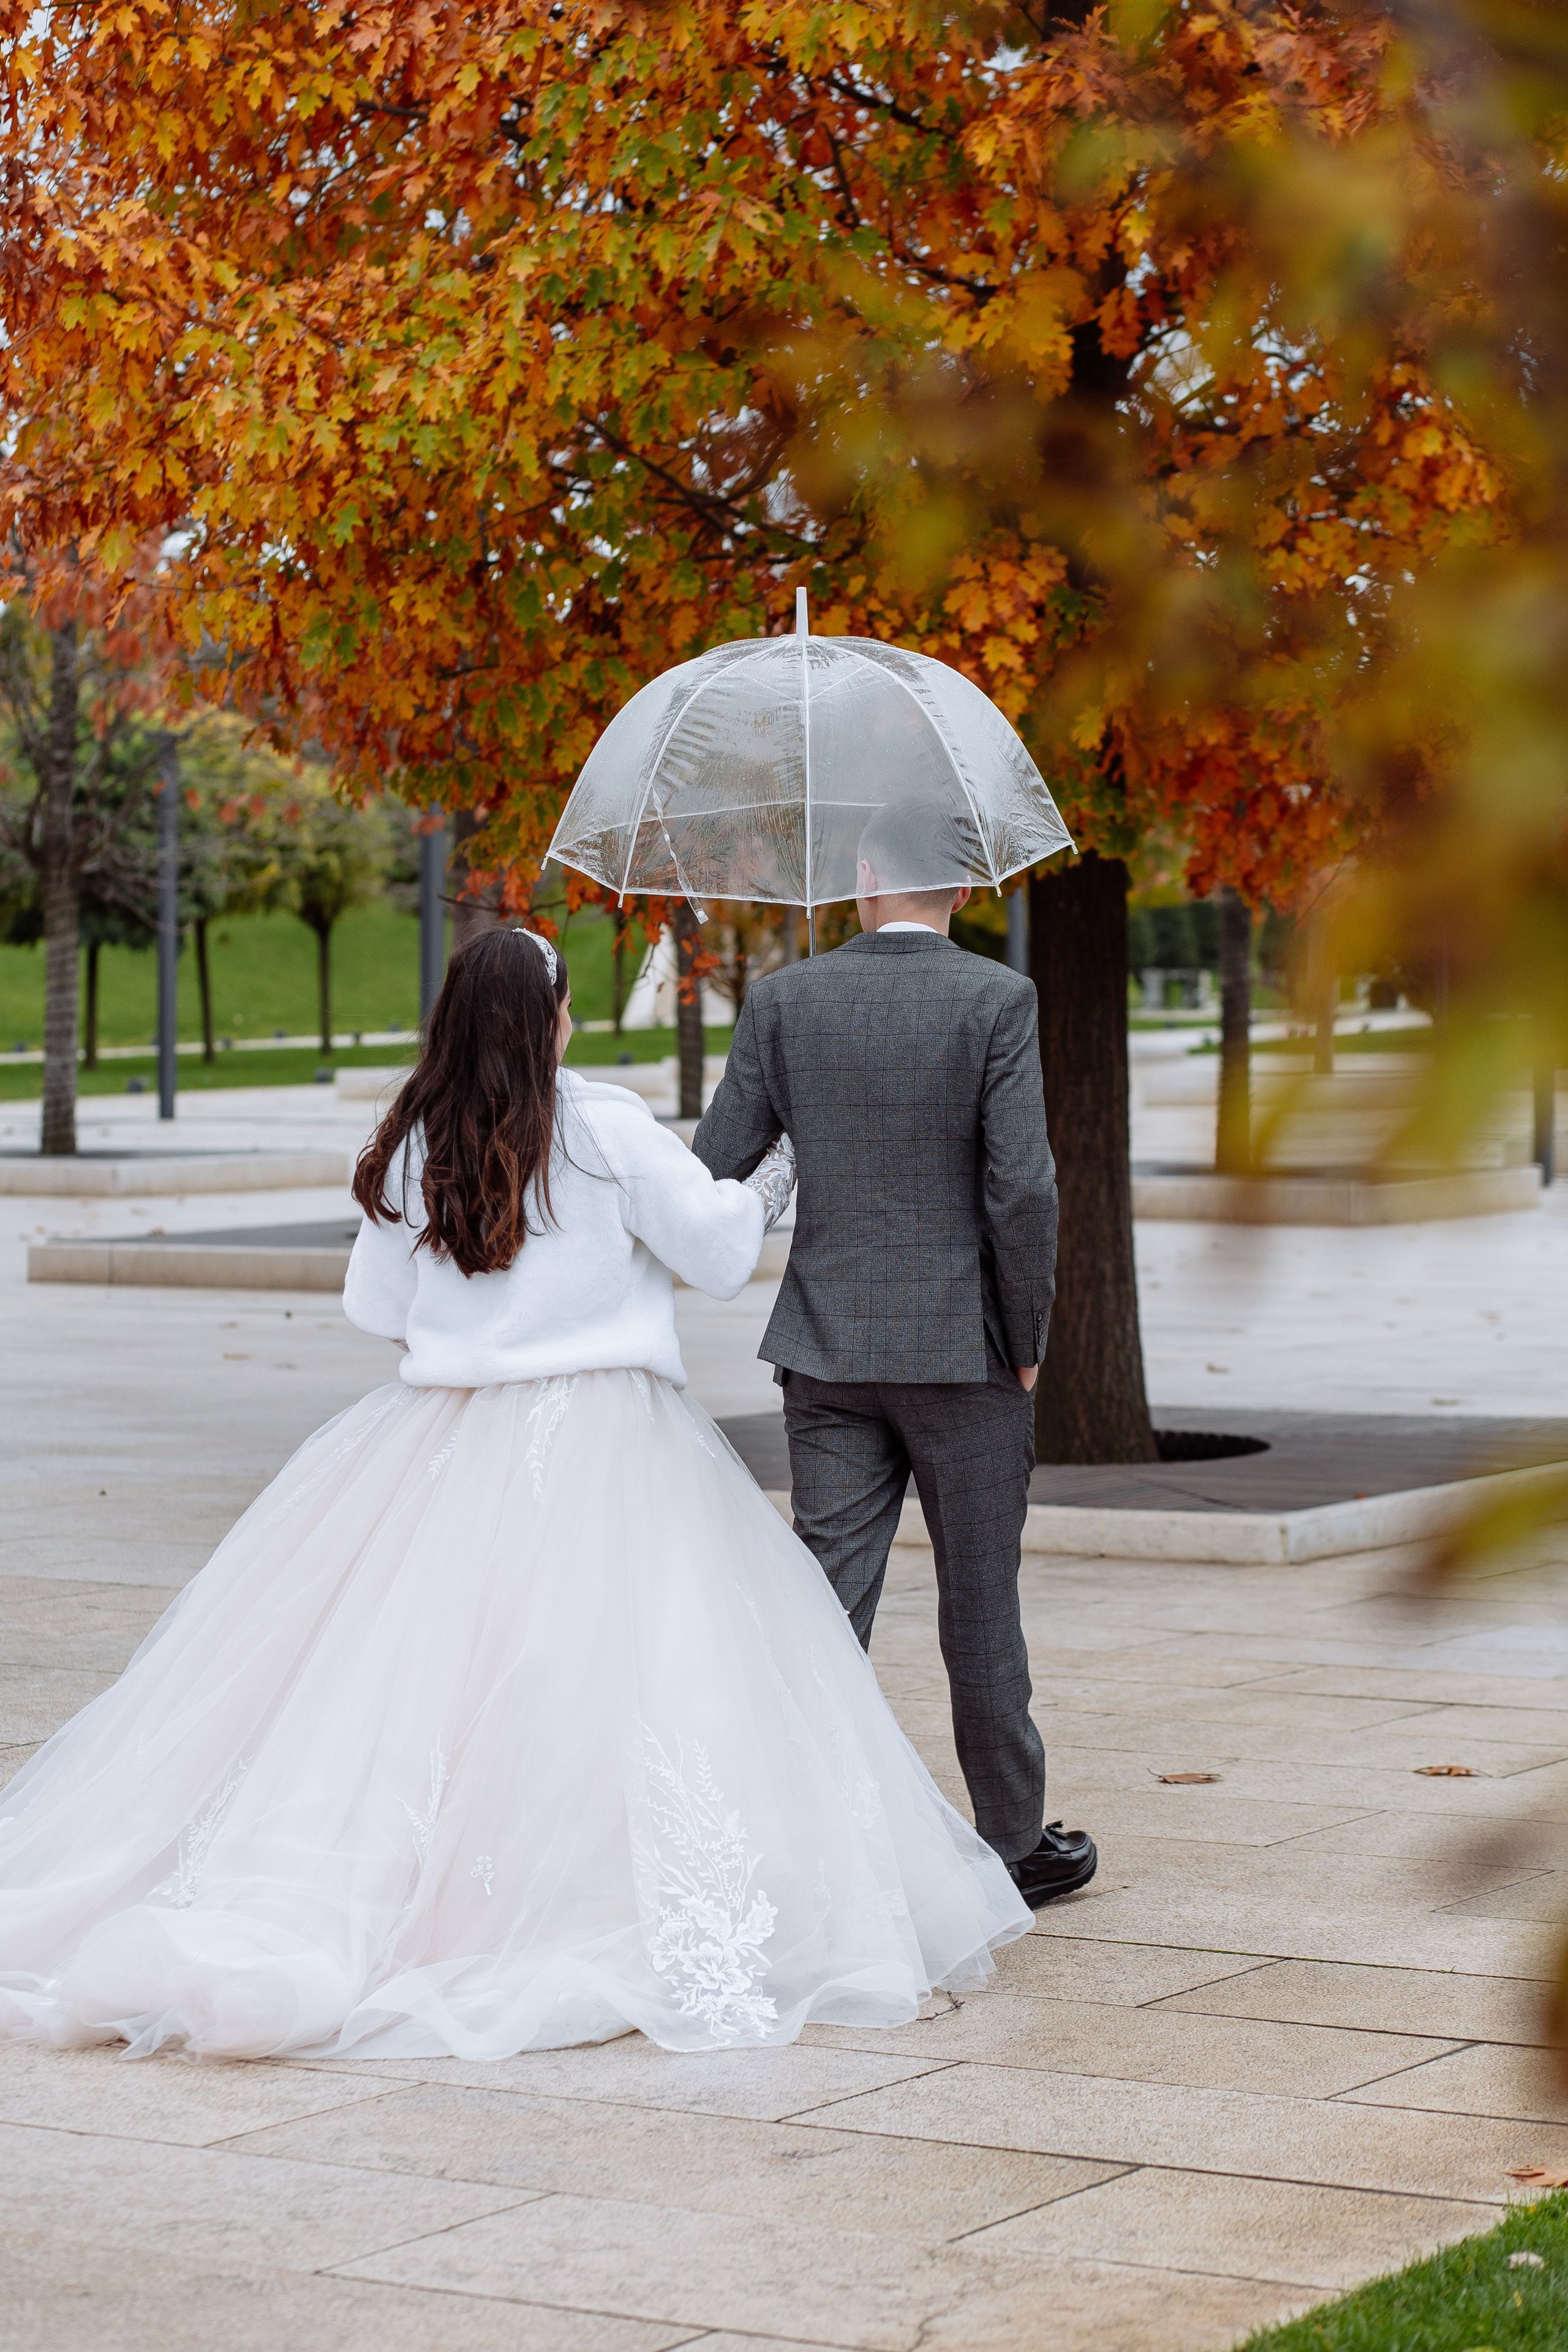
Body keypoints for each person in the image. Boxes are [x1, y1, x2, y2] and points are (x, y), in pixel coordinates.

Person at [0, 925, 1029, 2062]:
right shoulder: (604, 1129)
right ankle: (565, 1889)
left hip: (437, 1441)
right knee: (617, 1680)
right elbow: (722, 1251)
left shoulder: (412, 1140)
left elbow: (372, 1308)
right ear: (550, 1017)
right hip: (606, 1436)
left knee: (413, 1687)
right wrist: (781, 1159)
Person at [694, 801, 1098, 1908]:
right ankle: (1014, 1844)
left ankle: (786, 1833)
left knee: (824, 1600)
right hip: (964, 1350)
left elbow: (717, 1163)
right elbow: (1023, 1188)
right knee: (979, 1603)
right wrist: (1027, 1340)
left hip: (827, 1344)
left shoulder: (784, 1001)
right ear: (962, 890)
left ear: (865, 876)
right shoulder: (996, 1000)